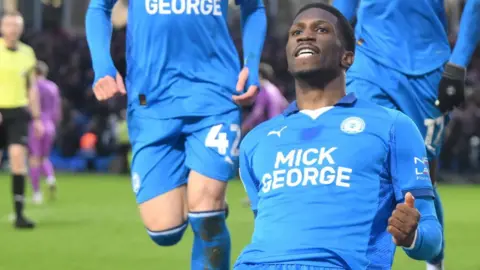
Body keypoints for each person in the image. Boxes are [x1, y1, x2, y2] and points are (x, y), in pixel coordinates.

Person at [235, 3, 442, 270]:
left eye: (321, 29)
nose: (305, 36)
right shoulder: (257, 140)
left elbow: (431, 237)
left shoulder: (393, 126)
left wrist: (414, 236)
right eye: (296, 32)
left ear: (348, 57)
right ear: (288, 55)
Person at [85, 0, 267, 269]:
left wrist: (251, 65)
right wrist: (103, 66)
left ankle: (208, 201)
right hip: (152, 103)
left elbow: (254, 8)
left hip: (215, 96)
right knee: (164, 231)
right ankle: (204, 195)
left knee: (206, 214)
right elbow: (99, 7)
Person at [332, 0, 480, 268]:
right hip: (370, 61)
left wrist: (458, 65)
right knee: (362, 165)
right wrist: (330, 52)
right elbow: (344, 7)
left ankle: (435, 261)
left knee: (423, 178)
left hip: (427, 69)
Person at [0, 11, 43, 229]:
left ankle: (19, 214)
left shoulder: (28, 53)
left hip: (18, 111)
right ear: (2, 28)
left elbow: (32, 87)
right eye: (9, 25)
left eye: (17, 25)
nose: (13, 29)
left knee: (18, 158)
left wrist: (37, 118)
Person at [29, 61, 61, 204]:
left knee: (34, 159)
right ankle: (50, 178)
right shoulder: (53, 87)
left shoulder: (33, 87)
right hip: (50, 125)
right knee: (44, 157)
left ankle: (37, 193)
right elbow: (57, 110)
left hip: (36, 125)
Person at [241, 63, 289, 135]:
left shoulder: (264, 90)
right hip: (280, 126)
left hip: (271, 128)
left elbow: (258, 112)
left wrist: (245, 126)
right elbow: (285, 104)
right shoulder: (274, 89)